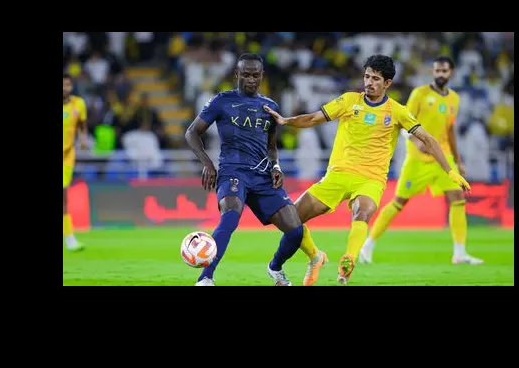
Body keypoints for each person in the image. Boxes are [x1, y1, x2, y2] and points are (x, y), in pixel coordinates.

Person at [262, 55, 470, 285]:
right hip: (338, 175)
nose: (369, 82)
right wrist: (286, 121)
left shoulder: (397, 111)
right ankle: (315, 256)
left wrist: (450, 171)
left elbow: (428, 139)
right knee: (291, 219)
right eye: (367, 76)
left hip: (371, 179)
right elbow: (313, 118)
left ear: (387, 83)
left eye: (375, 79)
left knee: (362, 212)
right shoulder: (349, 100)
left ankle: (349, 260)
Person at [185, 53, 305, 286]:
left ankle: (275, 268)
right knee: (230, 216)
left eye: (255, 75)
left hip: (262, 176)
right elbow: (191, 132)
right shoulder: (222, 101)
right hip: (233, 171)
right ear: (236, 74)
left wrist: (276, 166)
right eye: (246, 75)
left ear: (262, 76)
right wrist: (207, 163)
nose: (251, 79)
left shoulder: (270, 107)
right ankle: (205, 278)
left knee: (295, 231)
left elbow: (271, 147)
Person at [360, 56, 483, 265]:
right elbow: (402, 122)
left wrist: (458, 160)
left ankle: (460, 253)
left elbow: (450, 130)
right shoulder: (420, 94)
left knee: (457, 198)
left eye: (444, 71)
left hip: (442, 158)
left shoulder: (454, 98)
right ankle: (367, 245)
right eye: (437, 70)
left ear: (451, 73)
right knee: (399, 202)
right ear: (433, 72)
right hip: (417, 160)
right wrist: (416, 142)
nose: (440, 74)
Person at [63, 74, 89, 252]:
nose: (64, 88)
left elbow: (82, 124)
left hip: (66, 156)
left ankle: (69, 238)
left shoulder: (79, 104)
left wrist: (83, 138)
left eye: (67, 84)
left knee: (64, 196)